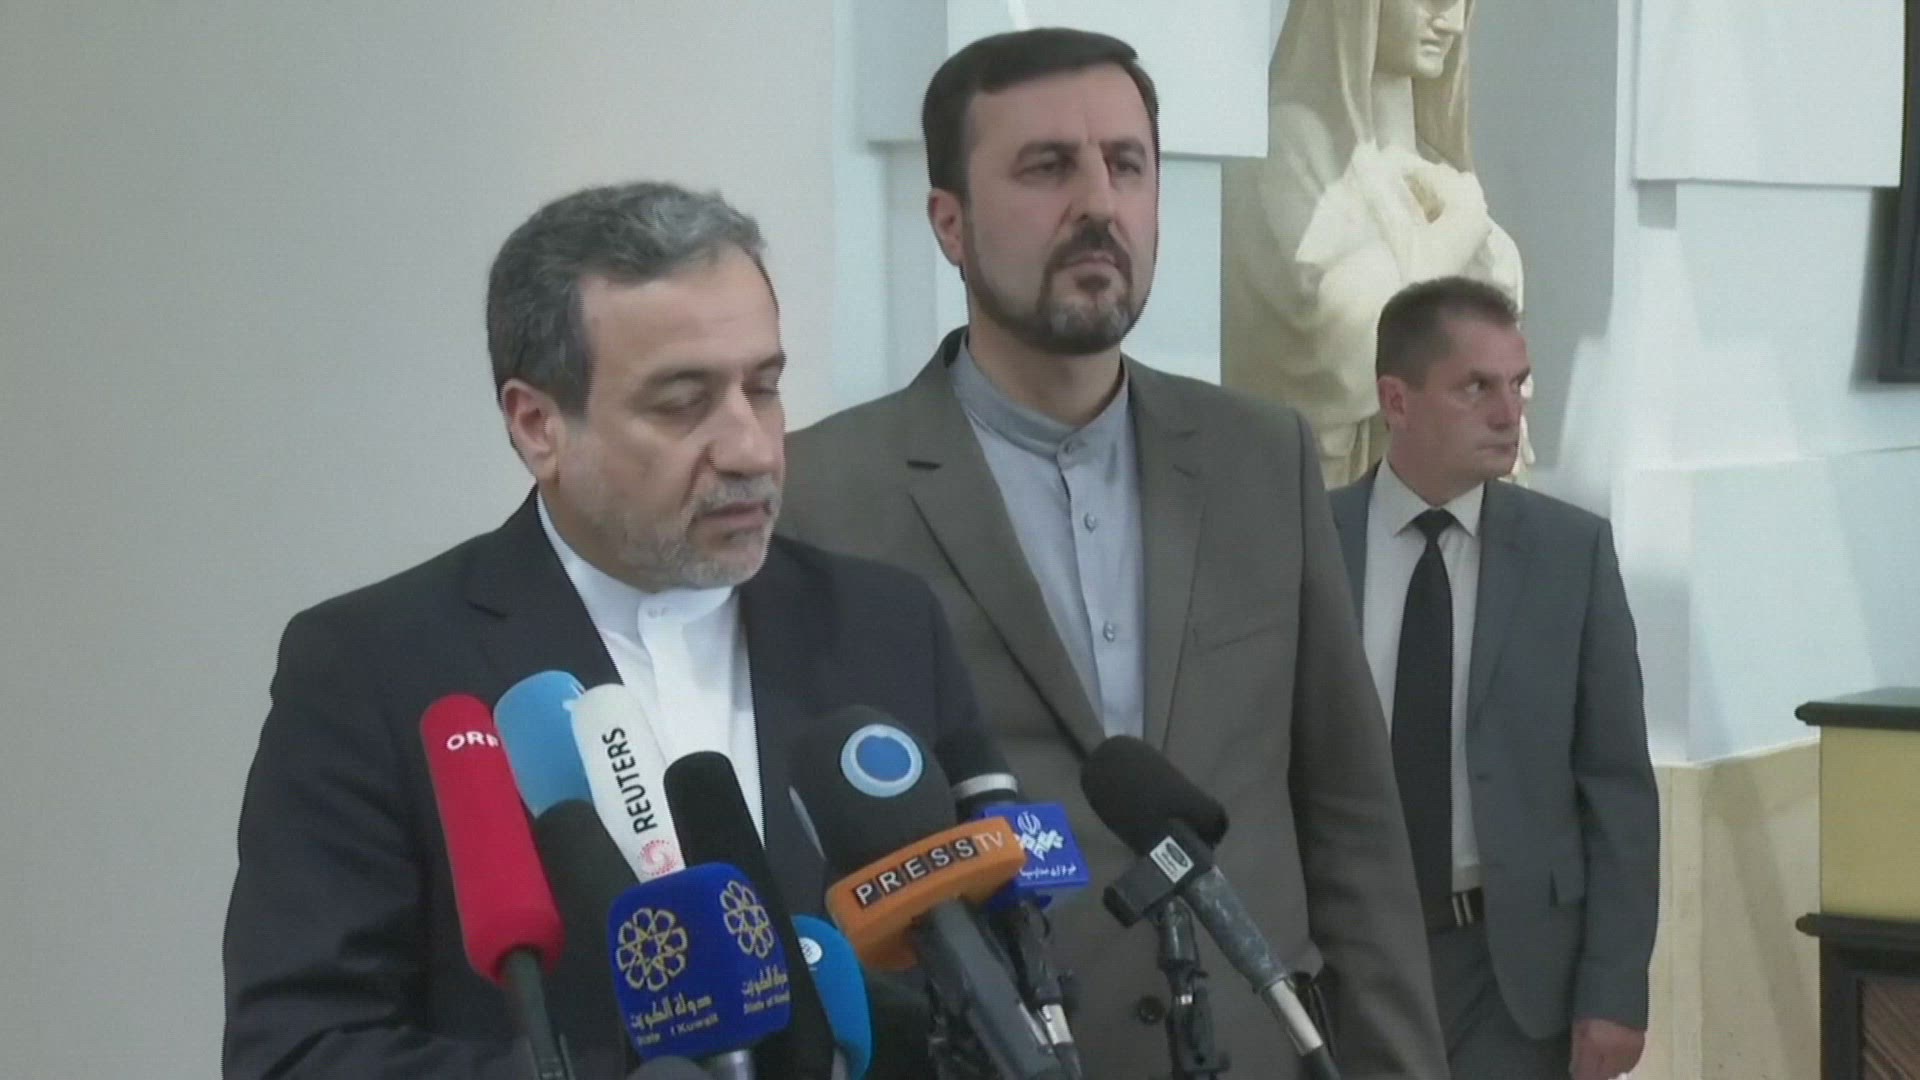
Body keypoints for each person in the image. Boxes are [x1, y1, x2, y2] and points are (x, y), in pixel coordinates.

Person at [780, 27, 1448, 1079]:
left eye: (1126, 165)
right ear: (950, 223)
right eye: (1047, 167)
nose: (1099, 204)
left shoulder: (1259, 457)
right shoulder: (827, 494)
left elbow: (1350, 820)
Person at [222, 182, 994, 1079]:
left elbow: (979, 977)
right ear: (538, 426)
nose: (751, 447)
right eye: (682, 403)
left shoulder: (885, 624)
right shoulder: (371, 667)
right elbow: (299, 1050)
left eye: (764, 387)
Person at [1329, 277, 1658, 1080]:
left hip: (1511, 972)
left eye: (1519, 384)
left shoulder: (1569, 555)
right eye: (1476, 387)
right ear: (1396, 400)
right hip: (1346, 963)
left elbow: (1617, 786)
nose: (1510, 414)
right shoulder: (1313, 540)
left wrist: (1616, 987)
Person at [1221, 0, 1525, 486]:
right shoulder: (1290, 142)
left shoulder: (1439, 166)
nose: (1450, 22)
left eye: (1463, 6)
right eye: (1432, 1)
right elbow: (1327, 331)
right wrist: (1457, 231)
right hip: (1343, 489)